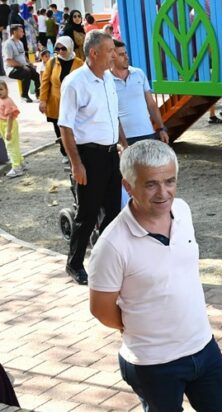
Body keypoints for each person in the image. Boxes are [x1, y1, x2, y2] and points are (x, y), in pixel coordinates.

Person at [88, 140, 222, 412]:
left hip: (203, 348)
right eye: (151, 184)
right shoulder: (112, 245)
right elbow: (101, 309)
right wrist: (139, 324)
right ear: (128, 186)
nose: (163, 193)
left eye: (170, 181)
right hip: (153, 363)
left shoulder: (182, 211)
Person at [58, 30, 125, 286]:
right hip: (89, 156)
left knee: (114, 210)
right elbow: (65, 126)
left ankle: (103, 256)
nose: (114, 56)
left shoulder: (108, 78)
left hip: (111, 154)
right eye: (110, 51)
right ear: (94, 53)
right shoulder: (75, 83)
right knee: (87, 214)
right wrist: (77, 164)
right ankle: (74, 264)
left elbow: (113, 116)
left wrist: (124, 144)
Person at [111, 40, 168, 144]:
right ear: (112, 56)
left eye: (126, 53)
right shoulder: (106, 80)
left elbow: (151, 104)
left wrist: (161, 128)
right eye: (121, 55)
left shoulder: (139, 73)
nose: (126, 57)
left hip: (147, 133)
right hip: (122, 138)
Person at [36, 35, 78, 150]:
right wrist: (43, 100)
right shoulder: (52, 62)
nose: (60, 51)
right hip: (56, 102)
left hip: (74, 102)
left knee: (75, 128)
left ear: (70, 47)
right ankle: (64, 151)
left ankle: (76, 151)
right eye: (57, 49)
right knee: (59, 128)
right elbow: (45, 82)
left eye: (63, 48)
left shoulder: (79, 63)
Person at [3, 25, 38, 101]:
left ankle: (38, 94)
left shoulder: (20, 42)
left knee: (36, 74)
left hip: (22, 66)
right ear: (14, 32)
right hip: (11, 68)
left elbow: (23, 55)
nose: (23, 33)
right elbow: (9, 60)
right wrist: (22, 66)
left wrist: (29, 63)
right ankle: (24, 96)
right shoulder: (8, 44)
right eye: (21, 31)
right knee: (26, 72)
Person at [0, 80, 22, 177]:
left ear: (6, 89)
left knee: (11, 147)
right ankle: (21, 163)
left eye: (1, 89)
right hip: (3, 125)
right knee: (12, 145)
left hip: (9, 125)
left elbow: (9, 117)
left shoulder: (7, 101)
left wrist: (8, 131)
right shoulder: (1, 100)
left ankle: (16, 167)